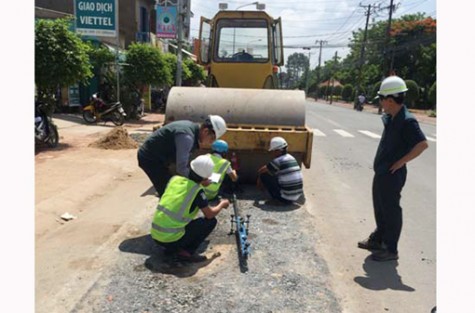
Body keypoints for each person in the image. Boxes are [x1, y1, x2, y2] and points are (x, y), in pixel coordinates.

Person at [357, 75, 428, 262]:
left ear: (389, 100)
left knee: (391, 211)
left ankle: (390, 249)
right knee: (380, 208)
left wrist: (401, 161)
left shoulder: (407, 121)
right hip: (382, 172)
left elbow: (422, 144)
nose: (380, 103)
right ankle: (378, 239)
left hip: (392, 174)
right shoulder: (392, 117)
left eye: (381, 99)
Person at [150, 155, 230, 262]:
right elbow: (209, 214)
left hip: (156, 235)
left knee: (182, 217)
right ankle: (186, 252)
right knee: (210, 222)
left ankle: (171, 247)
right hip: (171, 240)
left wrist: (201, 182)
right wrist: (221, 204)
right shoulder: (197, 191)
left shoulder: (175, 180)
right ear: (205, 178)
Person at [137, 115, 227, 197]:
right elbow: (181, 168)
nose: (211, 143)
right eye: (212, 139)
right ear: (206, 131)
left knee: (174, 185)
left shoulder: (192, 131)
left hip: (160, 158)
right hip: (150, 158)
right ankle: (165, 212)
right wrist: (199, 180)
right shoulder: (187, 137)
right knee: (168, 192)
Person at [256, 136, 304, 205]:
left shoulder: (278, 161)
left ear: (278, 151)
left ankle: (278, 199)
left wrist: (259, 180)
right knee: (276, 173)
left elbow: (261, 170)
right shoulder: (291, 157)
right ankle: (284, 197)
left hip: (286, 198)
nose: (272, 153)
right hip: (297, 197)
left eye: (273, 151)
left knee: (264, 175)